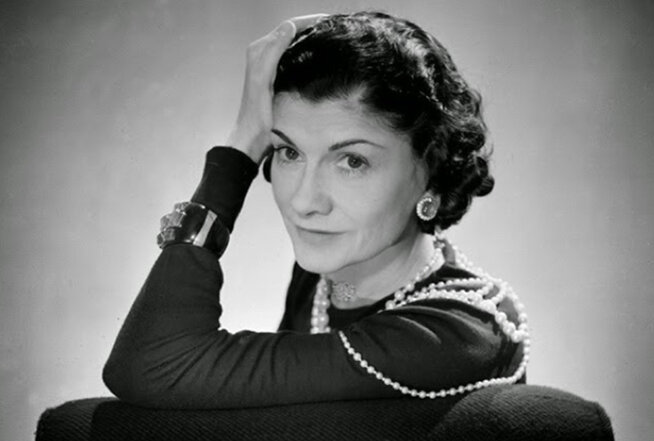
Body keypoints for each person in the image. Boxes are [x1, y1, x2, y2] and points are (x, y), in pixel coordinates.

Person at [103, 11, 530, 409]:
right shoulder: (328, 279)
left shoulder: (458, 330)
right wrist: (250, 136)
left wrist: (239, 150)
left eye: (352, 162)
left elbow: (151, 365)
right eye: (288, 151)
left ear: (431, 174)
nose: (305, 202)